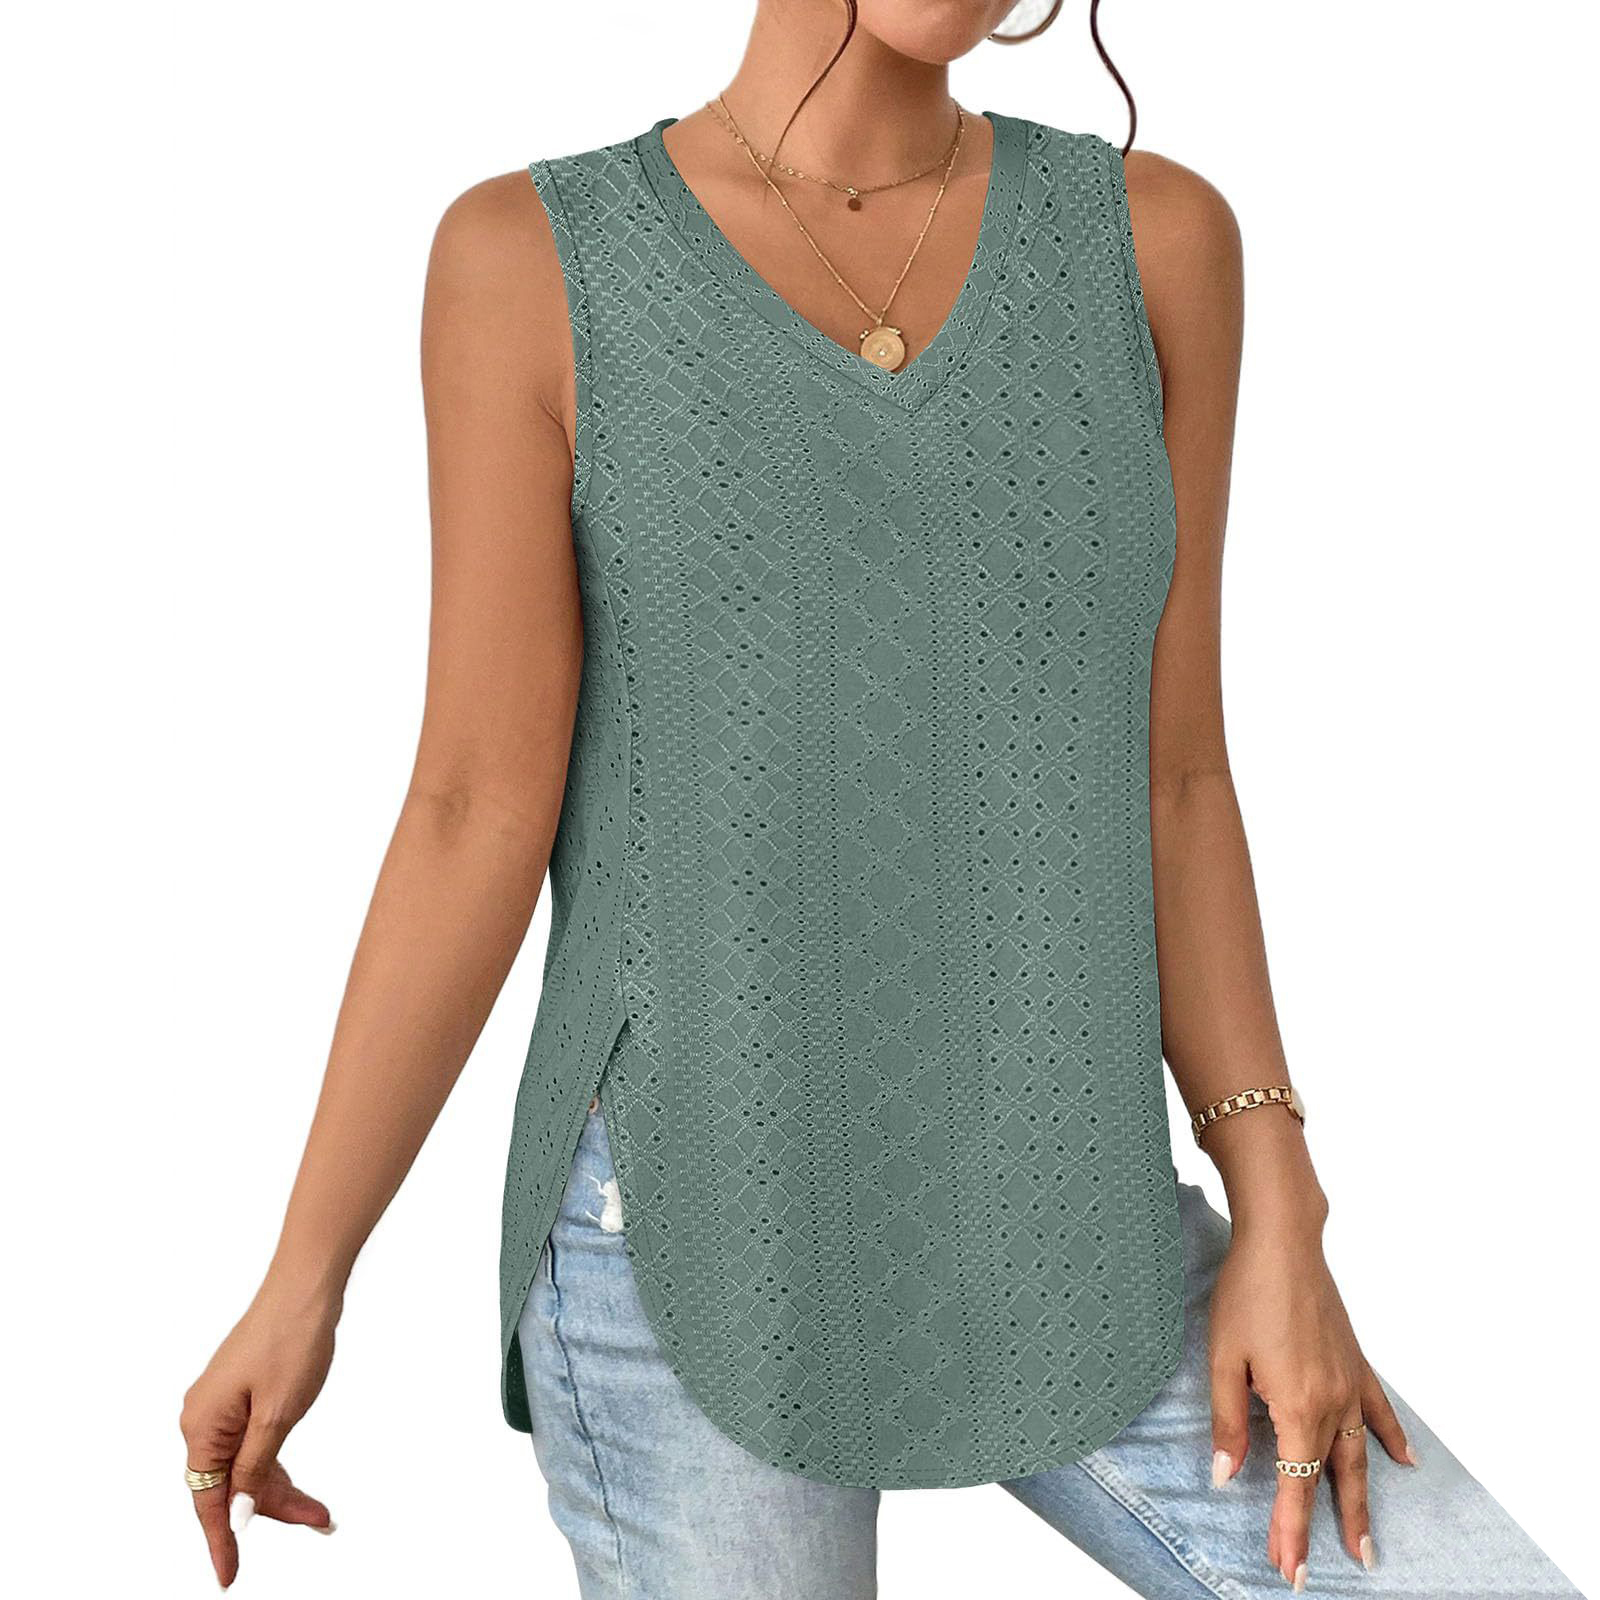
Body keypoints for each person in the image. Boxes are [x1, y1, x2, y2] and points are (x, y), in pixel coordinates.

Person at [179, 2, 1584, 1595]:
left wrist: (1283, 1213)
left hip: (1069, 1201)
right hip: (691, 1213)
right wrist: (307, 1274)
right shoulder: (533, 260)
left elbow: (1177, 772)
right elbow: (472, 809)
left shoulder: (1154, 242)